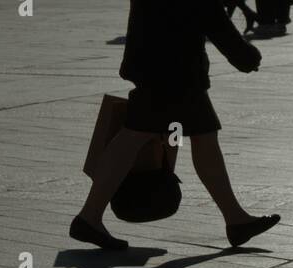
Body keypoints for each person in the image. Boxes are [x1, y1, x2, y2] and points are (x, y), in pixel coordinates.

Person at [72, 0, 281, 251]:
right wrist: (245, 57)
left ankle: (90, 216)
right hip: (176, 72)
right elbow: (209, 13)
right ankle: (89, 216)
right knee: (163, 136)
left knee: (151, 136)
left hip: (156, 66)